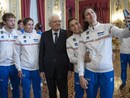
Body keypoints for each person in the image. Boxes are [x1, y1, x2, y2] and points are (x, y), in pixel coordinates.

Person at [78, 7, 130, 98]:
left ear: (96, 14)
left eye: (92, 12)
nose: (91, 14)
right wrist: (81, 76)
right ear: (85, 19)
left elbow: (123, 34)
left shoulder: (108, 27)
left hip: (107, 72)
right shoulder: (83, 36)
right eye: (87, 14)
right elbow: (80, 56)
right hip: (90, 72)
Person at [39, 14, 73, 98]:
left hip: (63, 68)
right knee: (51, 92)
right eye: (55, 21)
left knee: (64, 92)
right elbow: (41, 53)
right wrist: (41, 70)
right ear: (50, 24)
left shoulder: (66, 34)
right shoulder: (44, 35)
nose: (58, 23)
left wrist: (70, 69)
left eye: (59, 21)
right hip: (49, 68)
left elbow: (70, 53)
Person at [14, 18, 41, 98]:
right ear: (24, 26)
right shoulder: (19, 38)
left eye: (32, 24)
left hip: (36, 68)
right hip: (24, 68)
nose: (31, 27)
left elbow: (42, 53)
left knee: (37, 89)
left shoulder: (38, 37)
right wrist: (19, 69)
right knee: (25, 90)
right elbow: (16, 54)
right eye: (29, 24)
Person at [66, 18, 91, 98]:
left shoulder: (89, 34)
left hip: (91, 70)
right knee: (79, 94)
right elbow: (71, 58)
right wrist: (83, 59)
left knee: (91, 93)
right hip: (78, 71)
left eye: (76, 23)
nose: (75, 26)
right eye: (72, 26)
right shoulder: (69, 40)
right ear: (70, 29)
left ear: (79, 24)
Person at [0, 13, 21, 98]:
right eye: (10, 21)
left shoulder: (19, 34)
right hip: (2, 65)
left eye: (14, 21)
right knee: (3, 88)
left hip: (15, 65)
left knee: (16, 88)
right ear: (4, 22)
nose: (13, 23)